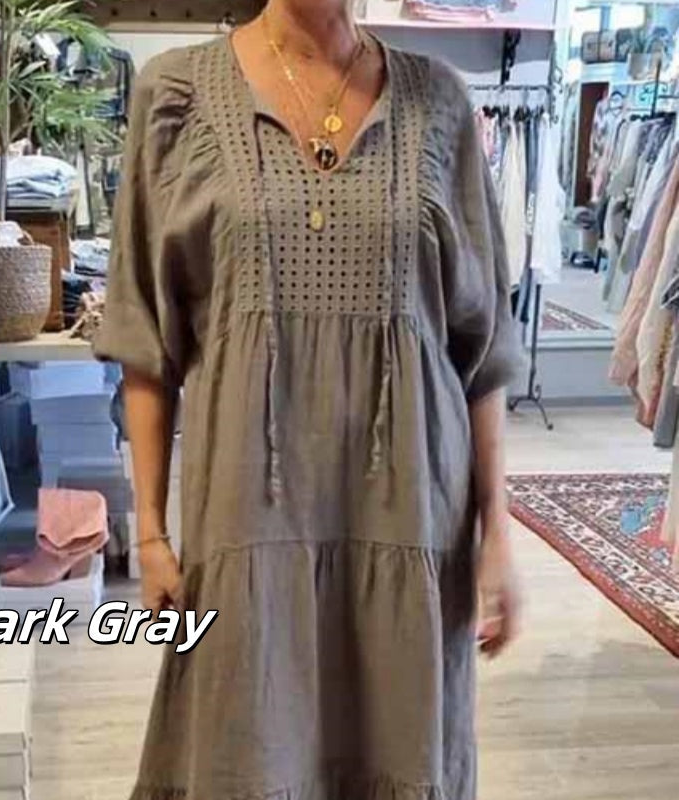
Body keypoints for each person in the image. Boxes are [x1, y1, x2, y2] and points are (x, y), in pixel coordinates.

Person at [94, 1, 523, 798]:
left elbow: (481, 346)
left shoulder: (440, 101)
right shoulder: (177, 94)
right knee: (246, 747)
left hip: (411, 516)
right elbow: (143, 339)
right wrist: (149, 530)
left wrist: (497, 528)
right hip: (247, 520)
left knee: (399, 750)